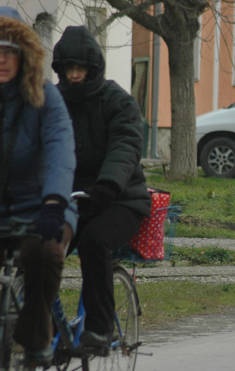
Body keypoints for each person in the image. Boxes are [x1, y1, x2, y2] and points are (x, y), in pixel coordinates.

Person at [52, 26, 151, 353]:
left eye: (81, 68)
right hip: (72, 200)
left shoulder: (117, 101)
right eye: (69, 69)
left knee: (94, 243)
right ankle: (48, 330)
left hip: (120, 200)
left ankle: (100, 328)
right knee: (43, 250)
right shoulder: (53, 103)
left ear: (94, 68)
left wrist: (109, 184)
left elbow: (125, 144)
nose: (75, 75)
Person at [0, 7, 76, 367]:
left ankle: (35, 338)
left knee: (45, 254)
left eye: (9, 51)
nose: (1, 60)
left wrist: (53, 200)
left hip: (40, 207)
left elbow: (59, 150)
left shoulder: (44, 98)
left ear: (23, 53)